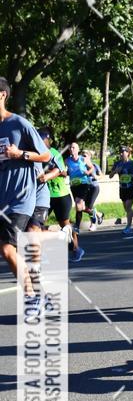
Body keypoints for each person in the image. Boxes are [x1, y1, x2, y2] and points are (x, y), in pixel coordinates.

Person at [0, 77, 50, 293]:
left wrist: (20, 154)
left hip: (21, 198)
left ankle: (32, 296)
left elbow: (46, 156)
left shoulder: (19, 124)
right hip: (2, 199)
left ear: (3, 95)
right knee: (16, 248)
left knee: (6, 248)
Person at [38, 127, 84, 261]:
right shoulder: (36, 154)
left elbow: (64, 172)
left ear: (48, 141)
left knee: (65, 224)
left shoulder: (53, 153)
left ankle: (76, 248)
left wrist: (50, 172)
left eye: (44, 140)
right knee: (39, 226)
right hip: (44, 197)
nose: (41, 143)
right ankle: (43, 254)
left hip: (61, 196)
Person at [109, 145, 133, 234]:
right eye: (120, 152)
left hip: (131, 188)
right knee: (127, 209)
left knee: (128, 207)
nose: (121, 154)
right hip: (122, 188)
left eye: (123, 152)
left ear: (128, 153)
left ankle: (128, 227)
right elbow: (110, 176)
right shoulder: (117, 163)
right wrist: (115, 171)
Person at [65, 143, 95, 232]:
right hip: (73, 185)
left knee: (78, 205)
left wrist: (88, 172)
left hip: (84, 184)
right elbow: (66, 171)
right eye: (70, 147)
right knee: (80, 207)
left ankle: (77, 226)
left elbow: (92, 167)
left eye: (73, 147)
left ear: (78, 150)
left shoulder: (83, 159)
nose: (71, 149)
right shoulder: (67, 161)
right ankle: (93, 213)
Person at [82, 150, 103, 229]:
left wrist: (96, 177)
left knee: (89, 207)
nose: (83, 157)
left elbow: (101, 175)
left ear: (89, 157)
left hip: (94, 187)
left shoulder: (94, 165)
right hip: (85, 188)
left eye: (85, 156)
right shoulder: (81, 166)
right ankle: (99, 214)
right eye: (82, 156)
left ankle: (93, 224)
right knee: (84, 207)